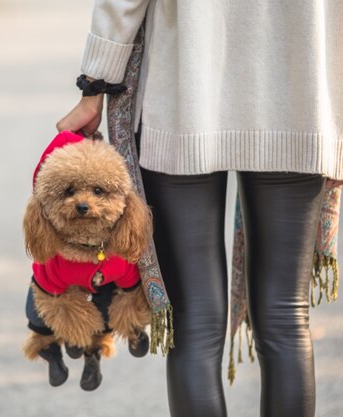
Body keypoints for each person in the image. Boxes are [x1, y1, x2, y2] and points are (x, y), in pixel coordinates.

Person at [56, 1, 343, 417]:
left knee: (195, 324)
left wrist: (95, 84)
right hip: (302, 99)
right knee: (285, 318)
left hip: (184, 96)